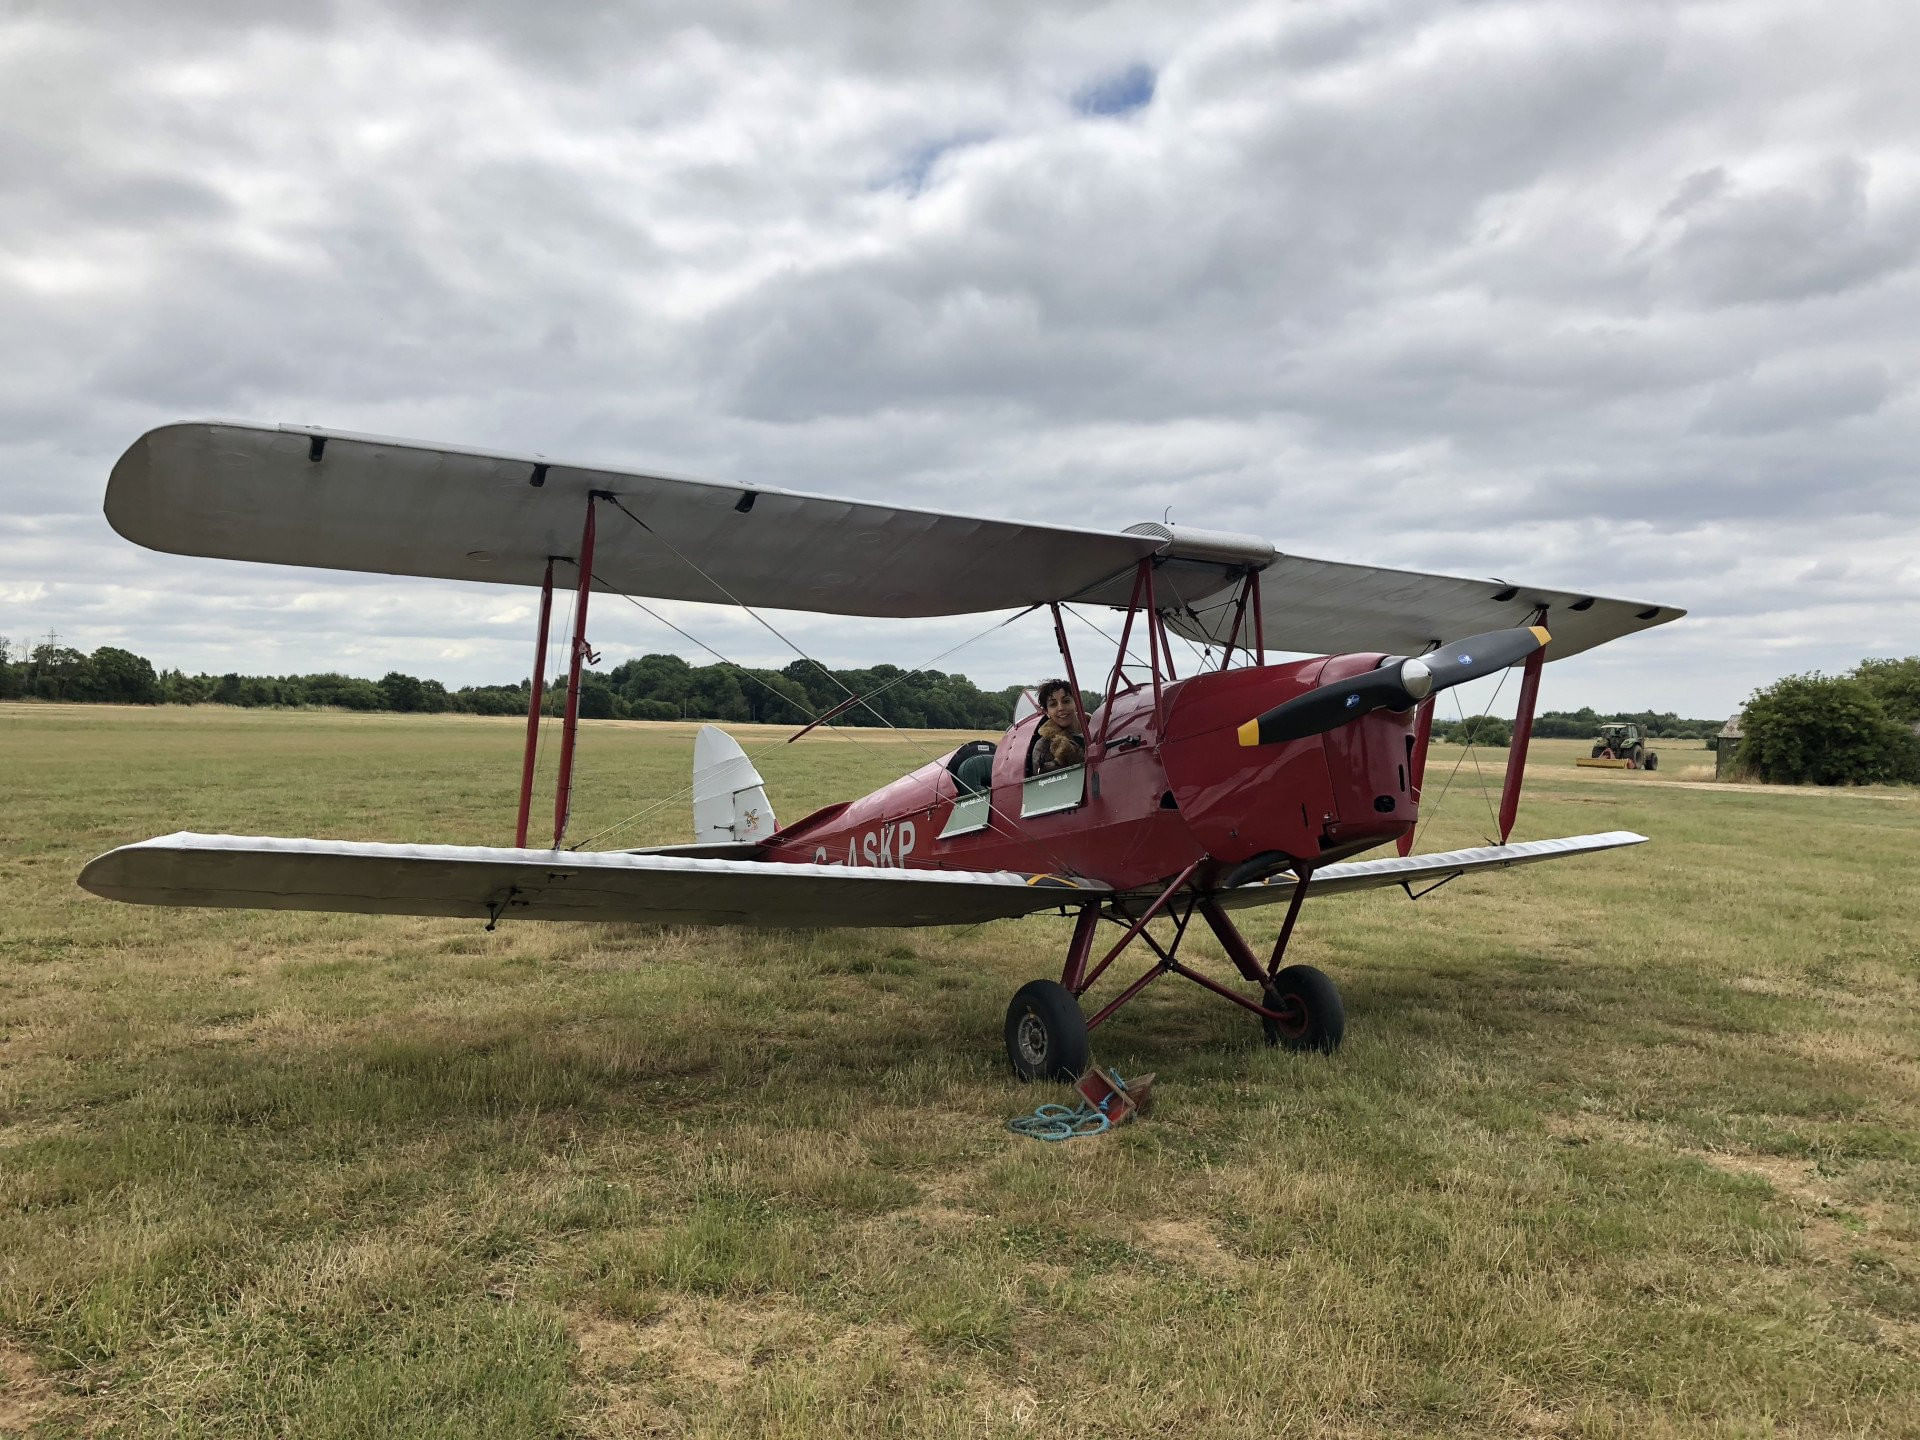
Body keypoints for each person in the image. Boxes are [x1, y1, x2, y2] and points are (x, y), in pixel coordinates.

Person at [1028, 678, 1085, 776]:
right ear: (1047, 712)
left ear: (1076, 703)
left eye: (1066, 701)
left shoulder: (1098, 729)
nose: (1061, 708)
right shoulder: (1043, 747)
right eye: (1053, 704)